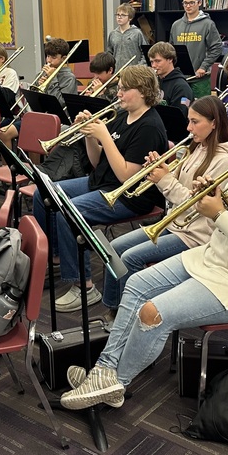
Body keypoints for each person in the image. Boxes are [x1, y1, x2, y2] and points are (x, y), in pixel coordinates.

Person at [60, 102, 228, 410]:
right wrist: (215, 197)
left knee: (152, 313)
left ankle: (117, 382)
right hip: (218, 259)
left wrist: (219, 213)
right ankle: (104, 371)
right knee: (136, 284)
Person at [32, 65, 168, 311]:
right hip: (102, 182)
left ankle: (84, 286)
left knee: (70, 212)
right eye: (119, 88)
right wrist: (89, 135)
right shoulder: (122, 116)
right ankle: (57, 257)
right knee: (43, 192)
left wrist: (104, 136)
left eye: (125, 89)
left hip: (128, 195)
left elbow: (127, 175)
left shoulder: (149, 125)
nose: (119, 94)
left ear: (144, 92)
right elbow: (96, 162)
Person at [105, 96, 228, 314]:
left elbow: (198, 205)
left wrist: (165, 180)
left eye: (195, 122)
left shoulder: (225, 159)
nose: (189, 128)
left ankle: (127, 316)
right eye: (189, 121)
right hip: (175, 225)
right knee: (114, 248)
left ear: (214, 123)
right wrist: (161, 171)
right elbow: (175, 190)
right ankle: (113, 308)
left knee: (131, 258)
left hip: (196, 236)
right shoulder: (199, 146)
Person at [0, 38, 79, 145]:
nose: (49, 60)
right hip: (40, 116)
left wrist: (52, 80)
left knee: (32, 133)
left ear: (64, 58)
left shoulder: (69, 78)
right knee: (7, 132)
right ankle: (28, 162)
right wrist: (39, 85)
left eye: (53, 57)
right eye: (48, 56)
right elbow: (33, 98)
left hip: (58, 120)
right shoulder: (44, 73)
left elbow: (60, 103)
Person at [170, 0, 221, 98]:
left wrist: (204, 66)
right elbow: (171, 50)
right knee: (182, 109)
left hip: (200, 79)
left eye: (192, 2)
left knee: (201, 111)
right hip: (180, 78)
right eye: (185, 3)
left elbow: (216, 48)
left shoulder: (208, 24)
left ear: (199, 3)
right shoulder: (176, 25)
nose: (188, 6)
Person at [148, 41, 192, 115]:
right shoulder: (154, 81)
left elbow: (180, 116)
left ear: (170, 59)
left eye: (157, 61)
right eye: (152, 62)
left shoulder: (181, 87)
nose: (153, 65)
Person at [105, 3, 147, 69]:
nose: (119, 17)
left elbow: (145, 54)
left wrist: (139, 67)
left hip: (133, 72)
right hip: (117, 72)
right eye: (118, 15)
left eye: (123, 15)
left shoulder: (137, 33)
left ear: (130, 18)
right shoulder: (113, 34)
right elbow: (109, 53)